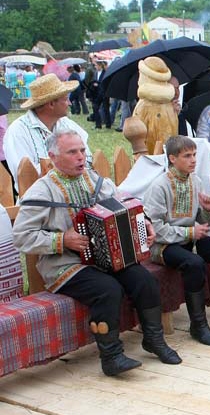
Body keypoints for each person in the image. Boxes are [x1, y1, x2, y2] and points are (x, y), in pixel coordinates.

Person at [12, 126, 181, 378]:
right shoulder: (42, 192)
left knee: (144, 279)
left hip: (106, 258)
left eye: (82, 150)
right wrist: (62, 240)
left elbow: (126, 206)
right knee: (107, 290)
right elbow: (22, 237)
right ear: (53, 157)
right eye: (72, 152)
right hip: (65, 265)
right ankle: (111, 357)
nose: (81, 156)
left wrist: (142, 222)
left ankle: (153, 339)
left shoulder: (98, 182)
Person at [142, 135, 210, 345]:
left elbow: (203, 222)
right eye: (187, 156)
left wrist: (208, 211)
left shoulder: (195, 180)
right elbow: (155, 229)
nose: (193, 160)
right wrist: (191, 232)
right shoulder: (159, 186)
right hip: (163, 246)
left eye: (194, 155)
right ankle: (198, 325)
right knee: (195, 263)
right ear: (172, 159)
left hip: (189, 240)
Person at [3, 71, 89, 187]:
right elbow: (24, 174)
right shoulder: (18, 131)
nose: (69, 103)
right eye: (65, 99)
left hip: (76, 194)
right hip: (39, 200)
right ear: (51, 104)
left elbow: (88, 159)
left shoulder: (68, 124)